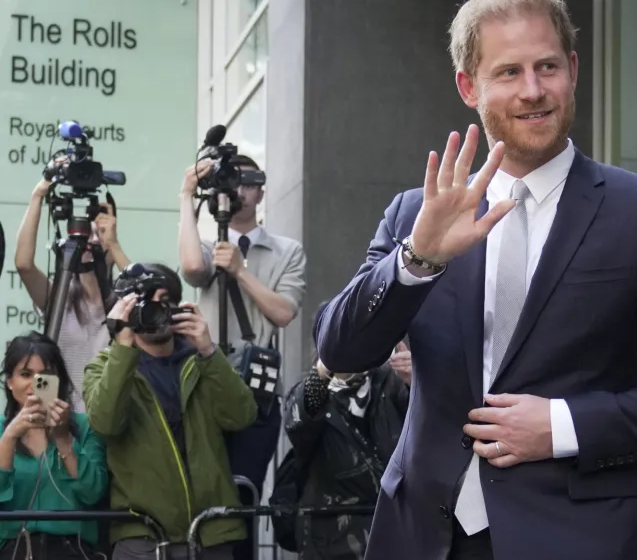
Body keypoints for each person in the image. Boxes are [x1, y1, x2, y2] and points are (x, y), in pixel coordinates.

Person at [313, 0, 637, 559]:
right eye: (509, 72)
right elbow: (339, 349)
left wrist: (565, 425)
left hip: (574, 536)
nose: (533, 90)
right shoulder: (417, 215)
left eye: (547, 67)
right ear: (469, 86)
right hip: (422, 534)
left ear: (573, 69)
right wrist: (416, 259)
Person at [178, 155, 306, 560]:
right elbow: (191, 268)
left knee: (243, 493)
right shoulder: (206, 245)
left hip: (257, 391)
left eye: (246, 182)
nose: (238, 191)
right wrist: (186, 196)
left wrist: (240, 269)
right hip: (207, 382)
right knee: (204, 490)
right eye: (229, 182)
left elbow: (283, 312)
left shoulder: (286, 250)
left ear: (261, 191)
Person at [83, 264, 258, 560]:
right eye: (146, 304)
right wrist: (123, 347)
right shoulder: (105, 368)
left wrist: (209, 351)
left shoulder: (203, 362)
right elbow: (106, 424)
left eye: (165, 301)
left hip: (211, 534)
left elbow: (243, 416)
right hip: (143, 536)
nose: (157, 311)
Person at [14, 177, 131, 412]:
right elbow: (24, 265)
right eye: (85, 234)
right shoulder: (60, 299)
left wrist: (114, 244)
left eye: (99, 234)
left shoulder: (123, 303)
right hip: (61, 417)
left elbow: (145, 293)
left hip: (109, 417)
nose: (90, 241)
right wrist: (38, 196)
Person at [282, 356, 409, 559]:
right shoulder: (314, 389)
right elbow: (296, 423)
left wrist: (416, 380)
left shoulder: (390, 381)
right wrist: (325, 369)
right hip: (328, 533)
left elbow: (429, 423)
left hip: (391, 527)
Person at [0, 332, 107, 560]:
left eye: (46, 376)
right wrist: (9, 438)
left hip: (72, 550)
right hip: (13, 550)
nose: (35, 384)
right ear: (10, 382)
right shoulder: (3, 430)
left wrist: (63, 438)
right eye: (25, 374)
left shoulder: (84, 426)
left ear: (59, 381)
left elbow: (93, 492)